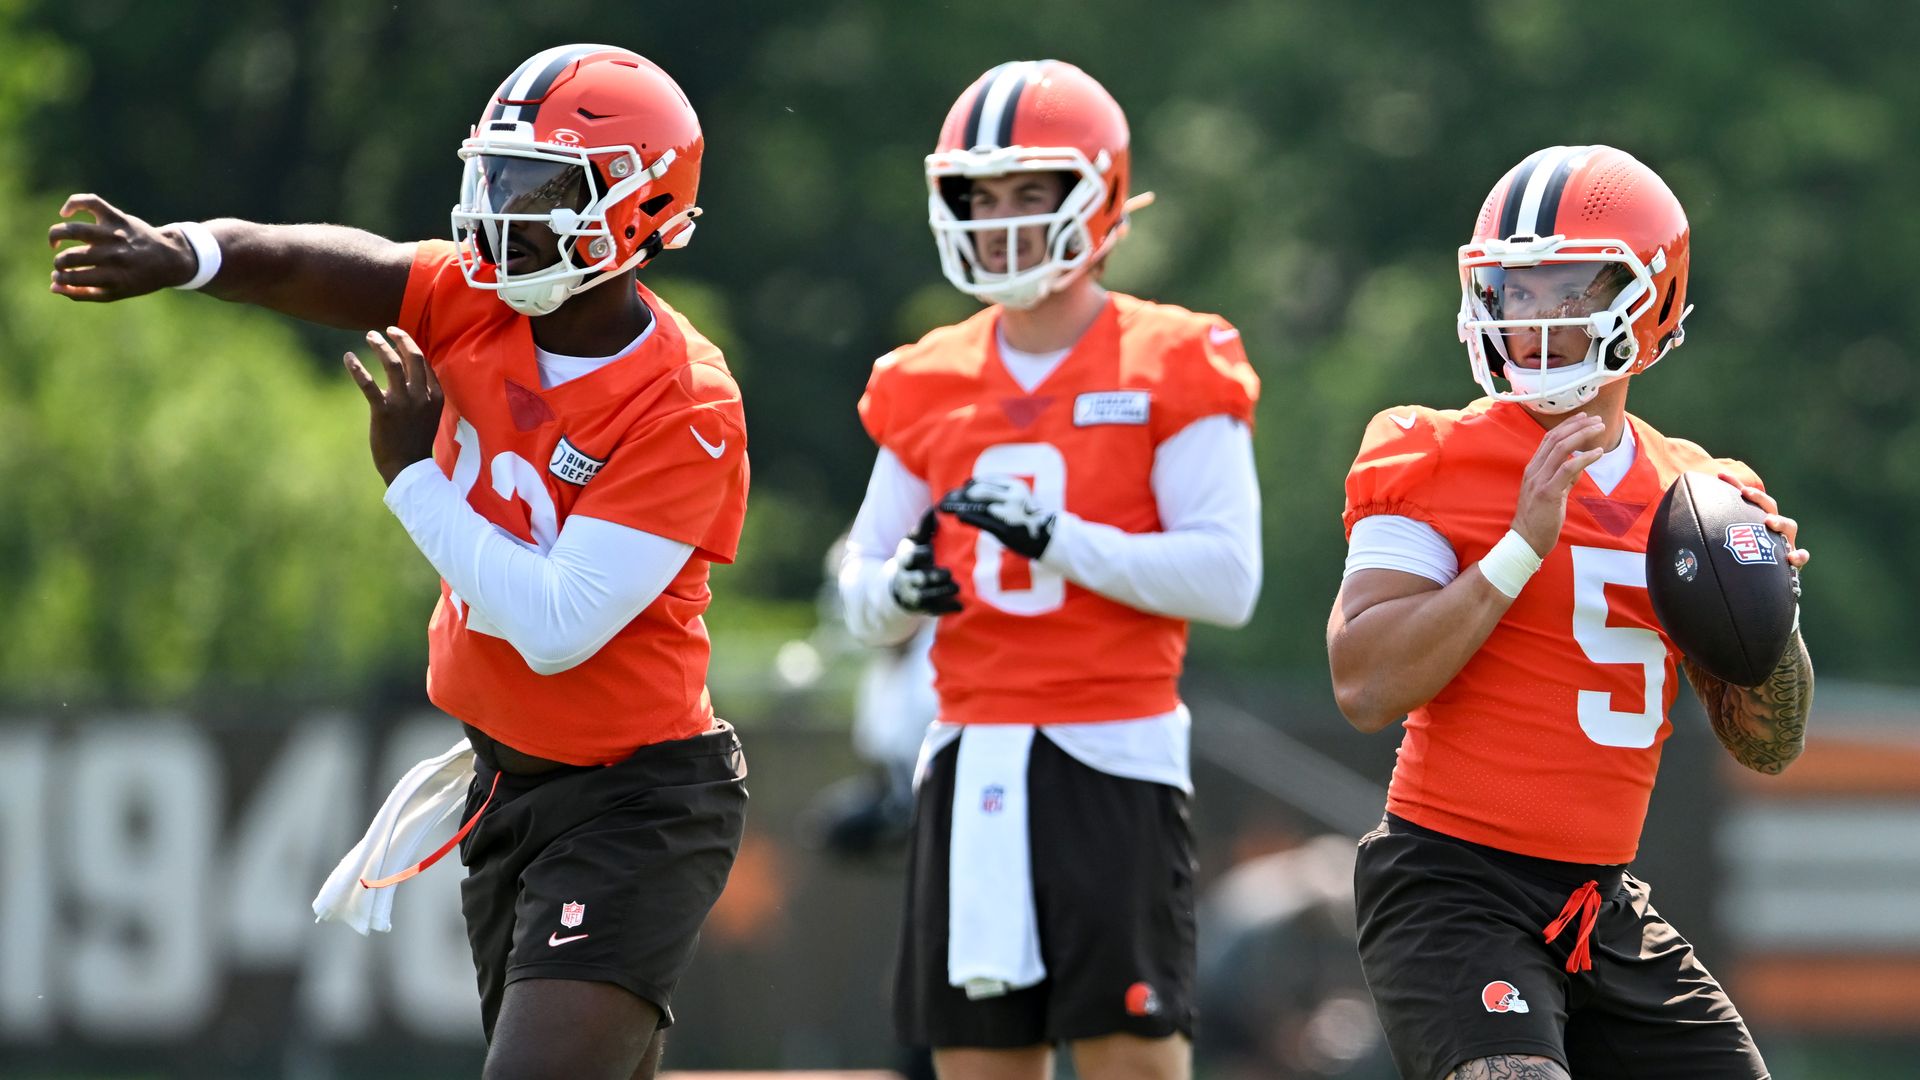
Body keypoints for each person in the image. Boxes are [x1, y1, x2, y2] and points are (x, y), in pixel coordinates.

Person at [49, 44, 749, 1080]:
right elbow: (312, 262)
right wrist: (186, 251)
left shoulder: (683, 400)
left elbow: (558, 628)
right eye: (499, 175)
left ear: (642, 207)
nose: (505, 208)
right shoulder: (474, 295)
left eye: (545, 186)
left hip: (635, 804)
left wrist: (411, 479)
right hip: (509, 784)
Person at [1326, 144, 1815, 1080]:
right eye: (1515, 290)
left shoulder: (1701, 495)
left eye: (1567, 288)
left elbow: (1769, 746)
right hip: (1452, 884)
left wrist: (1766, 614)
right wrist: (1519, 547)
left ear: (1651, 299)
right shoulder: (1429, 453)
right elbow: (1364, 682)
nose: (1534, 317)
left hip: (1602, 904)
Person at [839, 59, 1262, 1080]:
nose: (1005, 220)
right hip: (968, 753)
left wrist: (1057, 538)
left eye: (1035, 191)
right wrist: (896, 593)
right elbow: (861, 585)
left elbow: (1227, 579)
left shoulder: (1174, 355)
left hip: (1110, 750)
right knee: (980, 1066)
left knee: (1132, 1059)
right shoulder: (922, 377)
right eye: (982, 197)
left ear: (1100, 196)